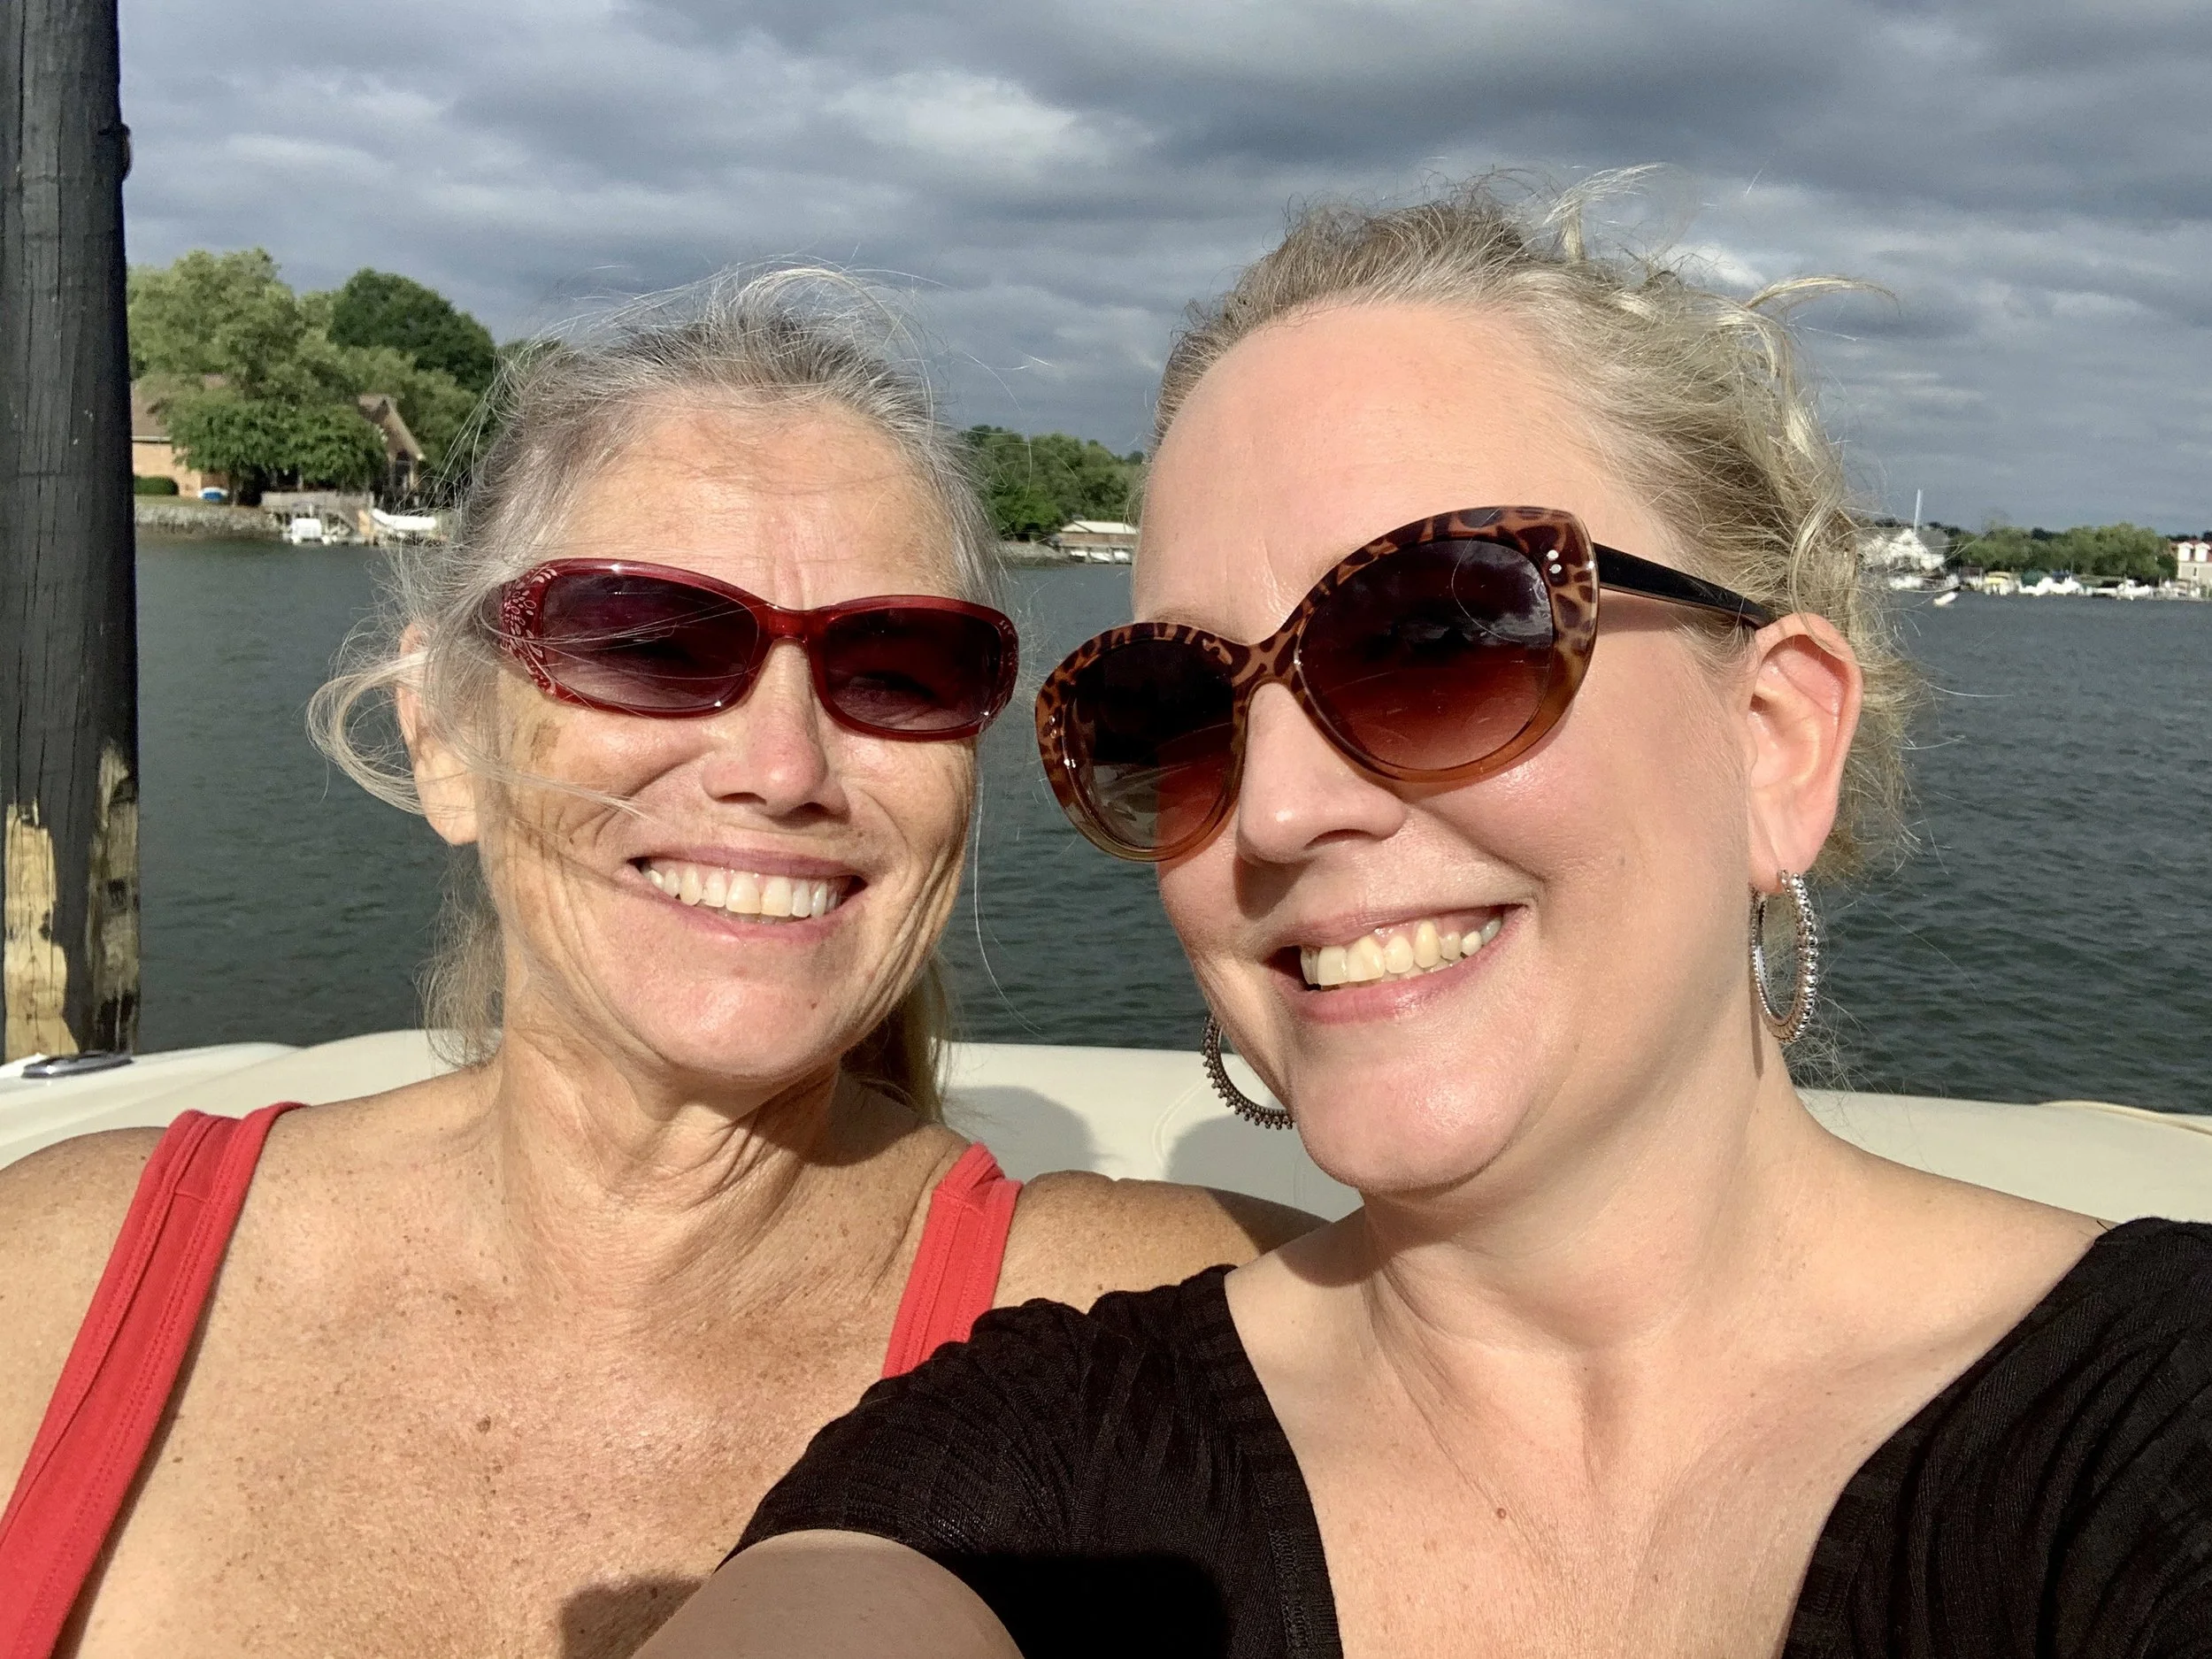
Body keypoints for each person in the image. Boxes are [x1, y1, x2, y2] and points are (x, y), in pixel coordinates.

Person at [642, 182, 2212, 1658]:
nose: (1275, 811)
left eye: (1441, 636)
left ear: (1777, 737)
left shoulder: (2155, 1433)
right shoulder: (1029, 1469)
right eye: (1173, 708)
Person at [0, 271, 1309, 1659]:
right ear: (440, 733)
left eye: (902, 663)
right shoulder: (53, 1275)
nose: (785, 767)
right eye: (648, 641)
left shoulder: (1190, 1340)